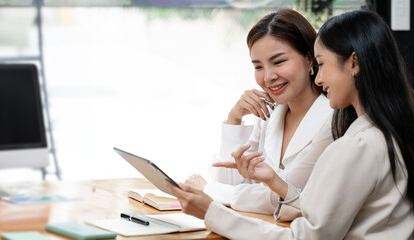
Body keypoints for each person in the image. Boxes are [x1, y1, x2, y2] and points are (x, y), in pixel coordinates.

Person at [166, 9, 414, 239]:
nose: (319, 78)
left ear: (353, 62)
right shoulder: (384, 132)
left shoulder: (354, 145)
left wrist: (212, 212)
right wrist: (273, 180)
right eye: (258, 66)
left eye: (322, 63)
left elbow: (306, 236)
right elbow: (314, 207)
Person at [186, 8, 333, 215]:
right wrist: (234, 118)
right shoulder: (271, 114)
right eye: (258, 67)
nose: (268, 77)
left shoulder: (332, 118)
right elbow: (230, 179)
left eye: (279, 62)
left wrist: (209, 190)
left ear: (310, 58)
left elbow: (284, 198)